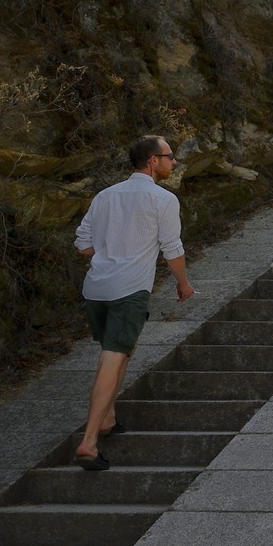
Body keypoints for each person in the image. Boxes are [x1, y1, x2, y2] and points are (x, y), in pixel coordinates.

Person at [72, 135, 194, 470]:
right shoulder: (163, 199)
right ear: (153, 161)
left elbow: (83, 245)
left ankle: (108, 418)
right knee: (115, 356)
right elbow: (173, 249)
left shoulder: (105, 196)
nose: (174, 163)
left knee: (116, 350)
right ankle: (89, 442)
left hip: (96, 289)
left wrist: (113, 251)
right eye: (170, 157)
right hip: (129, 290)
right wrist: (183, 284)